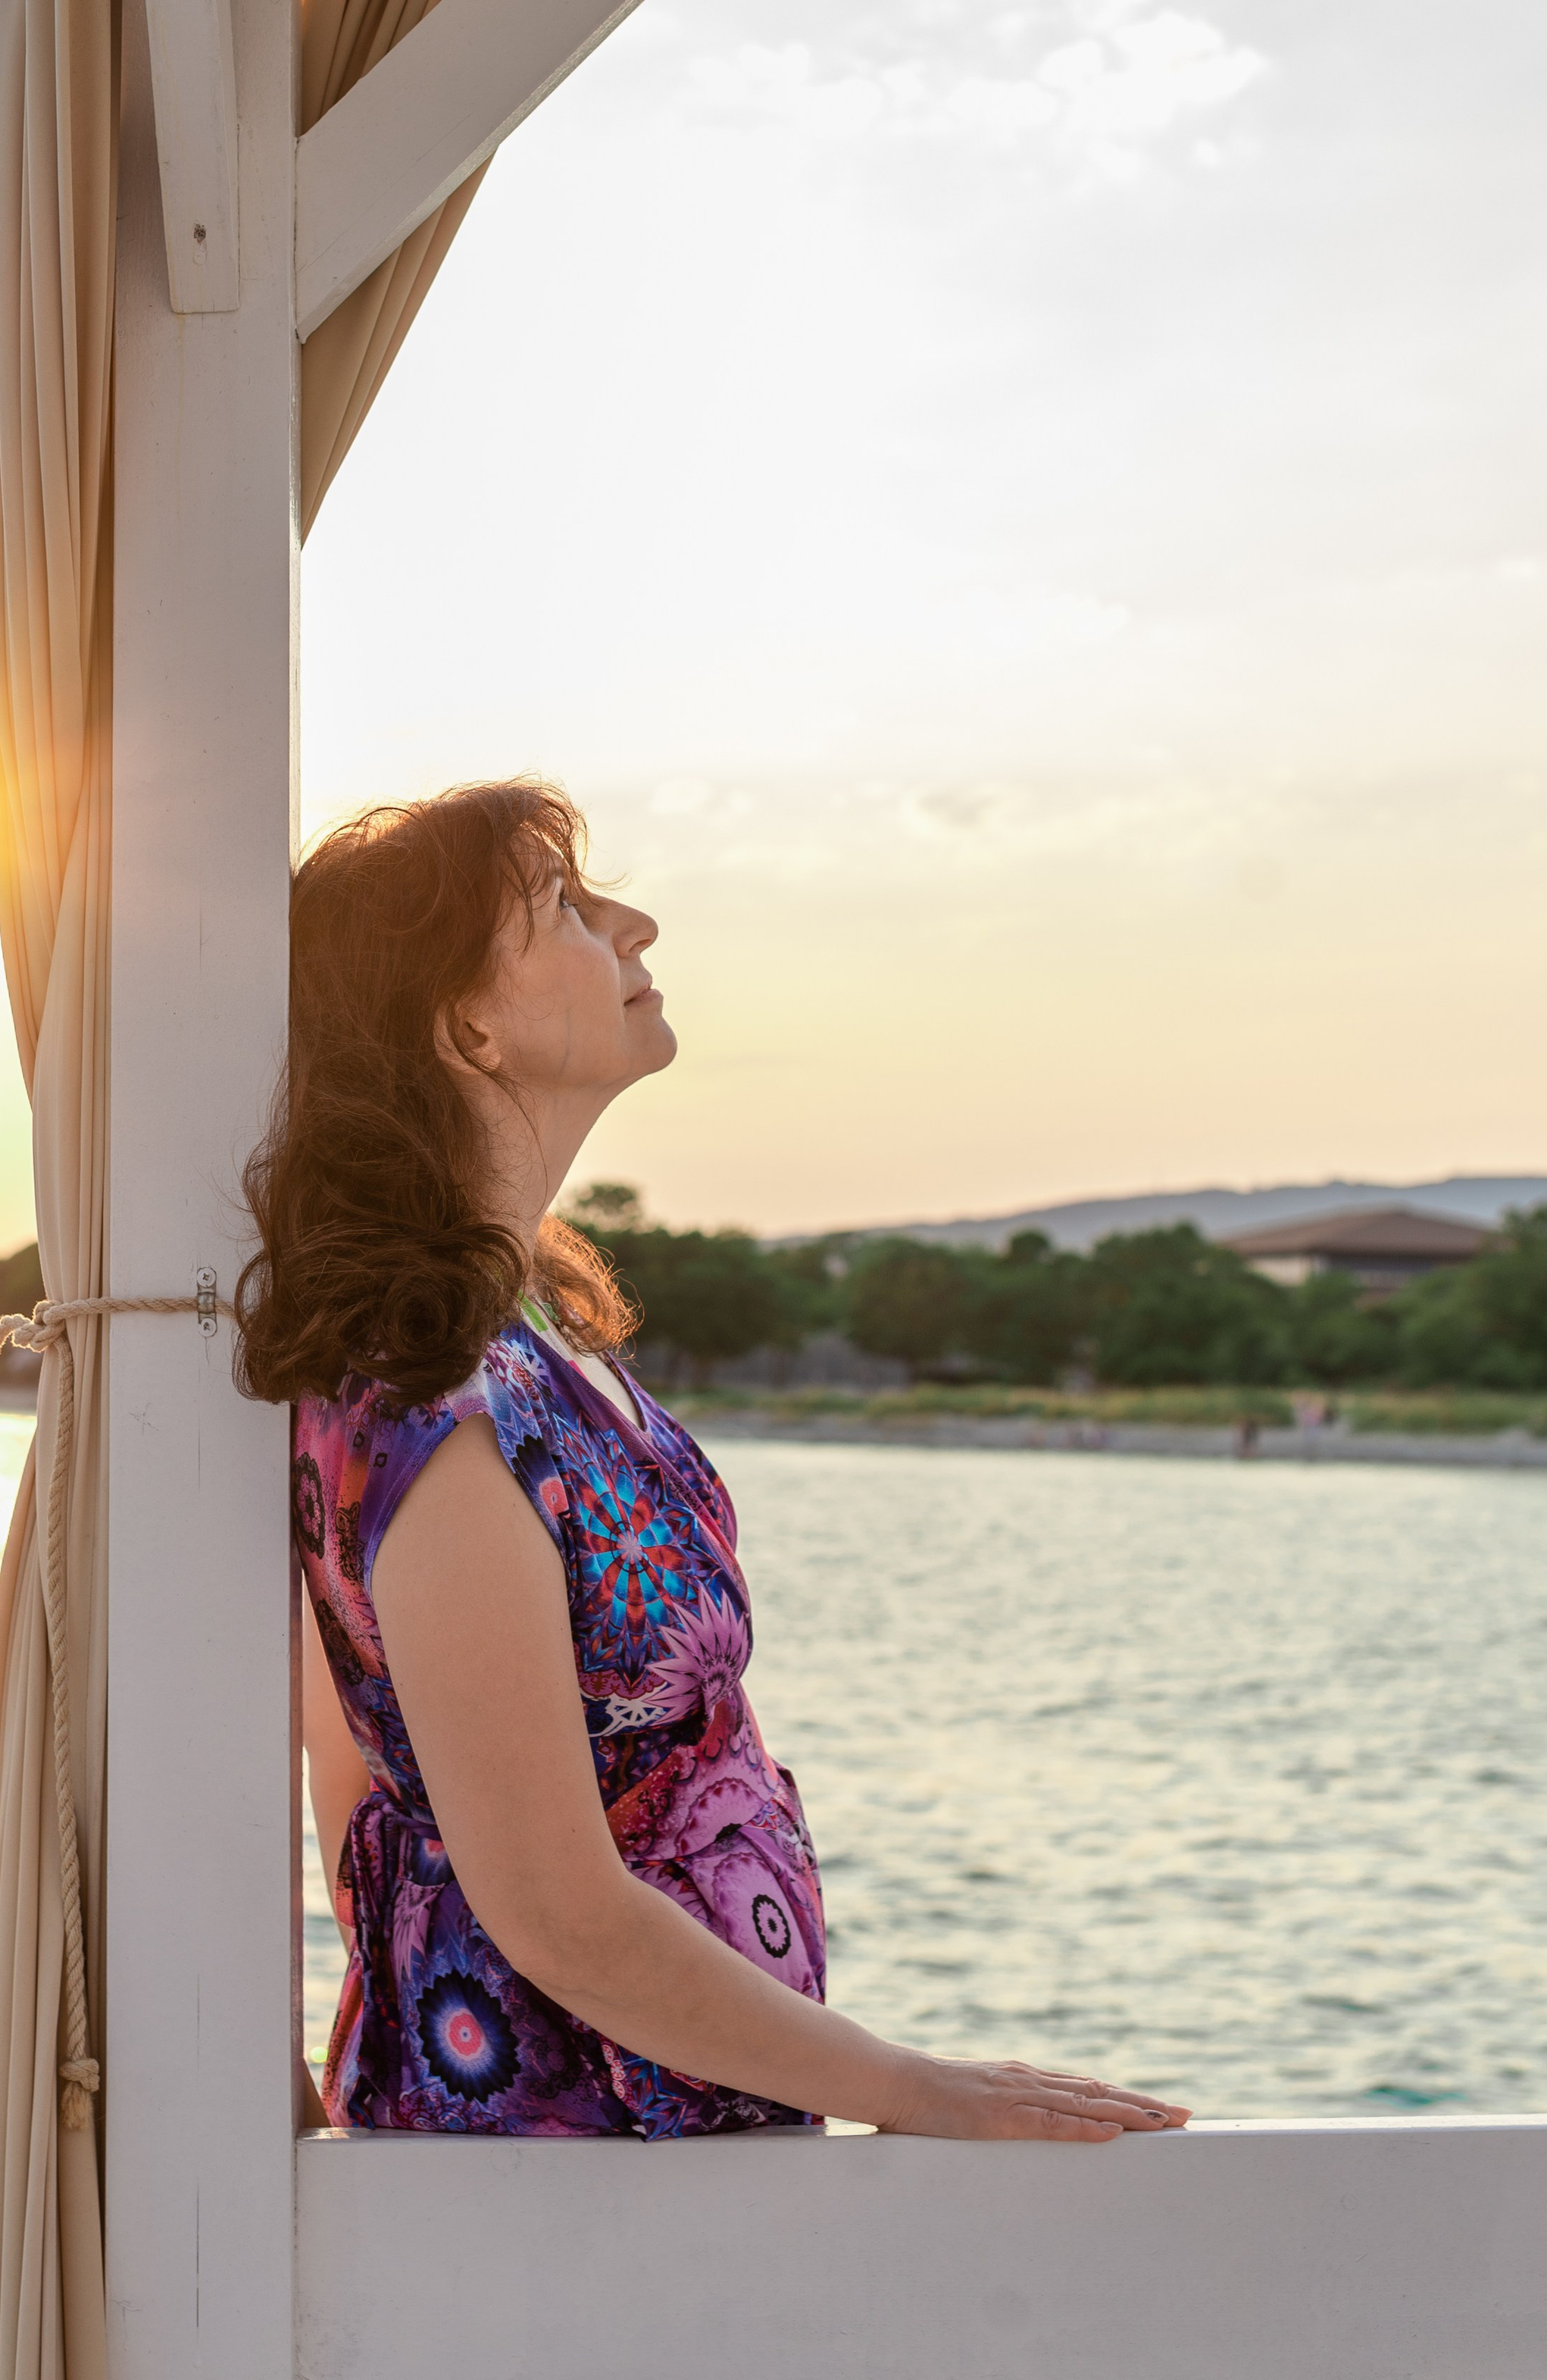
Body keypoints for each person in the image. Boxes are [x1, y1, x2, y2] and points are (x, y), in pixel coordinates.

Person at [235, 780, 1189, 2145]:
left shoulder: (520, 1358)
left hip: (651, 2171)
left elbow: (363, 1785)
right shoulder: (435, 1404)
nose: (636, 923)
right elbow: (539, 1900)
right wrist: (915, 2092)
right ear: (465, 1024)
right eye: (565, 907)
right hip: (571, 2179)